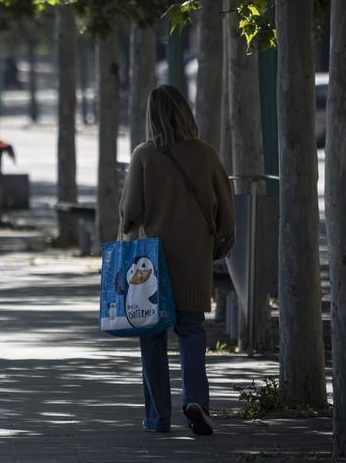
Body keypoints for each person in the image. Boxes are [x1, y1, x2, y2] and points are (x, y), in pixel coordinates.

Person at [119, 85, 235, 436]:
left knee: (153, 337)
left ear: (152, 117)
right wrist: (220, 243)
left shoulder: (144, 155)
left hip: (152, 265)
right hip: (194, 260)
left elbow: (131, 213)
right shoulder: (206, 154)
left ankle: (157, 418)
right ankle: (196, 400)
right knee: (191, 330)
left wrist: (127, 229)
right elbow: (226, 208)